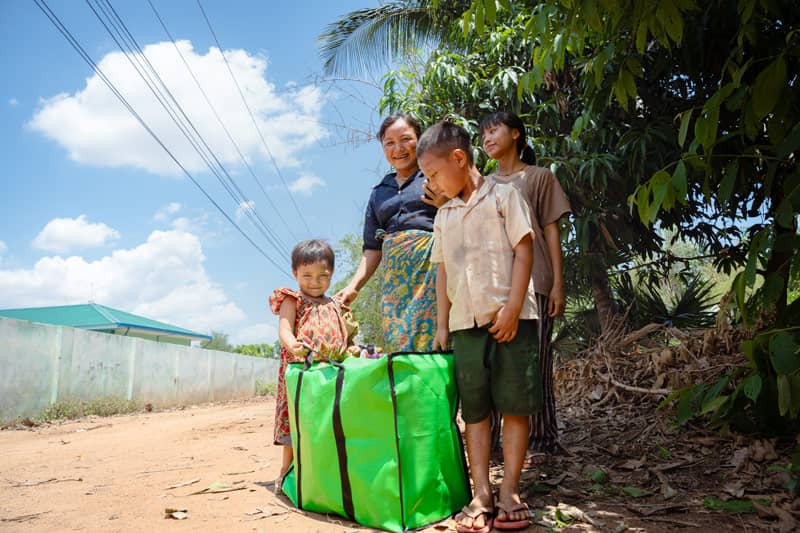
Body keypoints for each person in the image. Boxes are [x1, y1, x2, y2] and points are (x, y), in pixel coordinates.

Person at [420, 121, 540, 532]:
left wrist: (511, 308)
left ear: (459, 158)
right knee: (474, 410)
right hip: (464, 325)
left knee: (514, 406)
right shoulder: (444, 215)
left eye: (434, 173)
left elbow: (524, 250)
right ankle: (481, 494)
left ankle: (510, 490)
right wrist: (441, 323)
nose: (431, 183)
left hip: (513, 320)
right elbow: (441, 272)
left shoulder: (506, 196)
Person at [480, 111, 572, 458]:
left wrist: (558, 284)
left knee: (534, 363)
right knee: (492, 364)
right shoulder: (482, 184)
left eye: (494, 130)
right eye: (483, 134)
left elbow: (550, 229)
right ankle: (489, 444)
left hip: (536, 282)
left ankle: (541, 441)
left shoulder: (539, 177)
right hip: (492, 287)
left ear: (516, 134)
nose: (487, 138)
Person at [336, 114, 448, 352]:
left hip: (434, 273)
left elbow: (460, 216)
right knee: (400, 344)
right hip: (395, 284)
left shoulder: (436, 176)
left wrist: (444, 203)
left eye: (405, 139)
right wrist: (354, 286)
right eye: (389, 142)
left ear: (419, 140)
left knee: (436, 341)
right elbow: (372, 248)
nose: (398, 149)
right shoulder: (379, 193)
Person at [269, 239, 359, 491]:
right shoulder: (293, 300)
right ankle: (285, 473)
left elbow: (346, 336)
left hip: (331, 374)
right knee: (298, 421)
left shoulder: (336, 305)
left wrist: (351, 348)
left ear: (331, 275)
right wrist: (292, 344)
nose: (314, 281)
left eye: (323, 275)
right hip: (302, 372)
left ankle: (322, 473)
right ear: (295, 273)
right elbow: (284, 329)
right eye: (306, 275)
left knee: (326, 422)